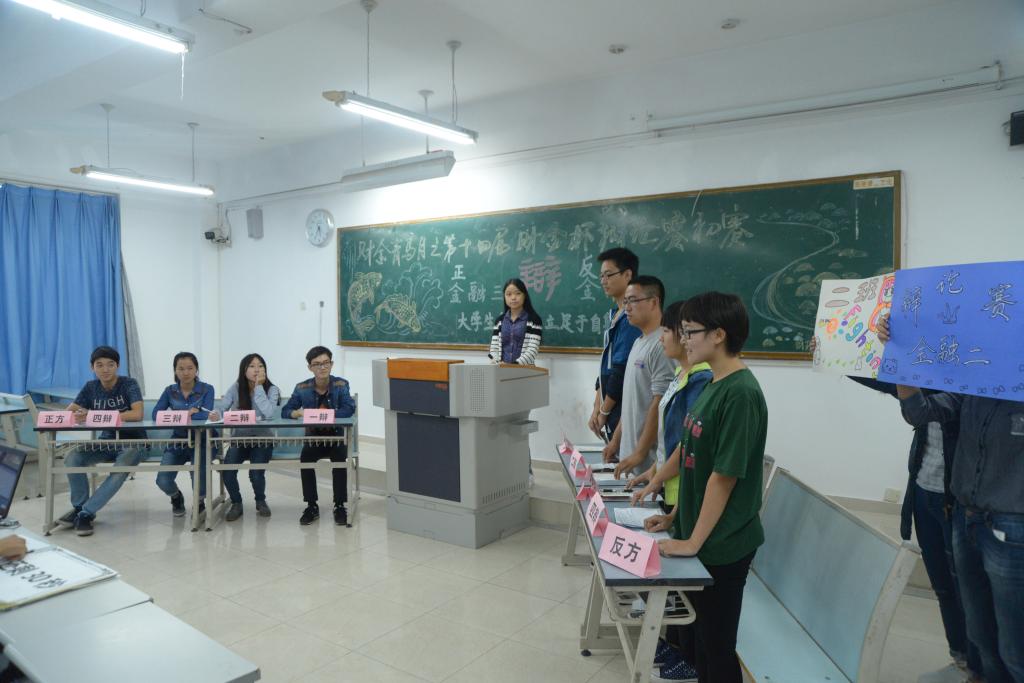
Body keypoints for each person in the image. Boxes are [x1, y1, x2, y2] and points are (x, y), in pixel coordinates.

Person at [807, 338, 981, 683]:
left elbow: (924, 406)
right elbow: (883, 380)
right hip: (924, 492)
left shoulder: (974, 378)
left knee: (968, 590)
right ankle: (960, 658)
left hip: (960, 500)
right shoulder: (926, 371)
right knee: (942, 586)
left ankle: (978, 669)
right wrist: (834, 353)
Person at [878, 315, 1022, 683]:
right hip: (966, 516)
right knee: (981, 635)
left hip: (1012, 525)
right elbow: (920, 412)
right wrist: (900, 354)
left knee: (1014, 646)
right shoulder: (972, 383)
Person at [651, 291, 767, 683]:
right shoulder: (715, 384)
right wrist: (674, 516)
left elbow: (723, 477)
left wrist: (692, 542)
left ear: (719, 334)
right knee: (700, 642)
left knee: (716, 649)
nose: (684, 340)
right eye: (682, 332)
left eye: (690, 332)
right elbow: (692, 458)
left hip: (723, 543)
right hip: (702, 534)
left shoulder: (741, 392)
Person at [57, 346, 147, 537]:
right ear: (92, 367)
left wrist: (93, 414)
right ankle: (79, 507)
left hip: (134, 442)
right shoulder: (91, 387)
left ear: (117, 366)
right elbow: (68, 413)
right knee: (73, 458)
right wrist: (78, 416)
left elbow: (137, 414)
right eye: (100, 365)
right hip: (105, 442)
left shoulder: (129, 384)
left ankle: (86, 514)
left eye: (110, 365)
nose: (105, 369)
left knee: (119, 471)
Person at [281, 346, 356, 526]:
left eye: (326, 363)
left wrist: (321, 415)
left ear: (331, 364)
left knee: (340, 461)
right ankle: (311, 505)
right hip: (313, 438)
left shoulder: (341, 385)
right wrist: (296, 413)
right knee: (305, 460)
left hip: (336, 437)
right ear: (310, 367)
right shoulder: (302, 388)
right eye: (317, 364)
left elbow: (348, 409)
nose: (322, 367)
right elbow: (286, 410)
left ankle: (339, 505)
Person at [608, 276, 675, 478]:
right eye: (625, 301)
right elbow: (631, 400)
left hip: (647, 464)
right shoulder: (639, 341)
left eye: (633, 301)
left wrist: (639, 453)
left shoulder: (662, 344)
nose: (626, 308)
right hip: (630, 458)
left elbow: (659, 404)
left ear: (654, 302)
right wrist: (616, 440)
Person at [209, 353, 280, 522]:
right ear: (244, 370)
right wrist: (216, 413)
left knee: (256, 473)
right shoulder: (235, 388)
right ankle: (236, 503)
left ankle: (260, 501)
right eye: (252, 366)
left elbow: (269, 413)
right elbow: (222, 407)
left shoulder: (272, 389)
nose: (257, 370)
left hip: (263, 439)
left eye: (260, 366)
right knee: (227, 470)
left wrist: (259, 387)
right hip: (240, 439)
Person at [151, 352, 215, 518]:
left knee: (198, 471)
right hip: (178, 440)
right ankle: (176, 496)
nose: (186, 372)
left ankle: (199, 501)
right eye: (181, 368)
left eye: (190, 368)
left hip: (204, 439)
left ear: (196, 370)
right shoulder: (170, 391)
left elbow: (206, 415)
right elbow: (156, 414)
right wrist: (187, 414)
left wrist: (182, 415)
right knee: (162, 480)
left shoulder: (207, 389)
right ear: (175, 371)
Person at [589, 247, 642, 444]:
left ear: (627, 274)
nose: (603, 281)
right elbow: (607, 366)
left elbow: (620, 370)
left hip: (622, 406)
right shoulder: (615, 315)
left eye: (609, 275)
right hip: (611, 404)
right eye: (601, 276)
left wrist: (604, 411)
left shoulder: (631, 318)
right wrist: (597, 406)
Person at [488, 278, 543, 365]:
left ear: (524, 295)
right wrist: (498, 363)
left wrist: (513, 366)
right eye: (508, 294)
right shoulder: (499, 321)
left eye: (518, 293)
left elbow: (532, 351)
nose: (513, 297)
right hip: (501, 369)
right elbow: (494, 349)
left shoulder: (534, 320)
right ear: (504, 297)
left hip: (525, 370)